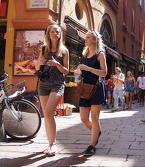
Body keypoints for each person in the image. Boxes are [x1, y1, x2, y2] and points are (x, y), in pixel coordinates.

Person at [36, 24, 69, 156]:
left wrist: (57, 64)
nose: (56, 33)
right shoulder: (44, 49)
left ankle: (53, 144)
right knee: (47, 115)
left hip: (57, 84)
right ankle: (50, 144)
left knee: (49, 112)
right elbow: (37, 67)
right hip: (43, 84)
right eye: (53, 31)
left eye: (58, 31)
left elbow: (66, 71)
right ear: (48, 34)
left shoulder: (64, 51)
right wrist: (39, 62)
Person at [76, 30, 107, 156]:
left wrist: (88, 68)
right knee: (83, 118)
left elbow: (104, 73)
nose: (85, 39)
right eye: (85, 37)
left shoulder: (100, 54)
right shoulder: (84, 54)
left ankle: (92, 145)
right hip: (85, 88)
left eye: (88, 37)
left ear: (94, 40)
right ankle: (96, 131)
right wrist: (77, 72)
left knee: (94, 118)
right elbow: (81, 72)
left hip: (96, 87)